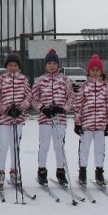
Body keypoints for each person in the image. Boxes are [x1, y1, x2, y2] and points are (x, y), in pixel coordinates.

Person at [31, 49, 74, 186]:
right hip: (45, 119)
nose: (52, 66)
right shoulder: (39, 81)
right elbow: (33, 99)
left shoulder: (65, 80)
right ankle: (42, 171)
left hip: (59, 119)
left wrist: (63, 108)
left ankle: (61, 172)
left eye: (54, 63)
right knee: (44, 145)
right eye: (49, 63)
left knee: (59, 146)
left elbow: (71, 98)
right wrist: (43, 108)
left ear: (58, 65)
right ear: (45, 65)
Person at [0, 53, 31, 188]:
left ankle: (14, 171)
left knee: (15, 145)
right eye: (10, 65)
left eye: (15, 65)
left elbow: (29, 96)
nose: (13, 68)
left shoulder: (23, 79)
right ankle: (0, 171)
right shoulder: (1, 79)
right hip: (4, 118)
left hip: (18, 117)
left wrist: (20, 107)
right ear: (6, 66)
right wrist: (3, 109)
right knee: (3, 145)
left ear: (19, 66)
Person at [73, 54, 108, 186]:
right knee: (84, 149)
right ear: (88, 71)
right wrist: (77, 123)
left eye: (98, 70)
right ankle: (82, 171)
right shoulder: (84, 87)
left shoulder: (106, 87)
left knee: (99, 149)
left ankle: (99, 172)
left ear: (101, 71)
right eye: (93, 70)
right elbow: (78, 105)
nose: (95, 72)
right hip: (86, 124)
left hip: (101, 125)